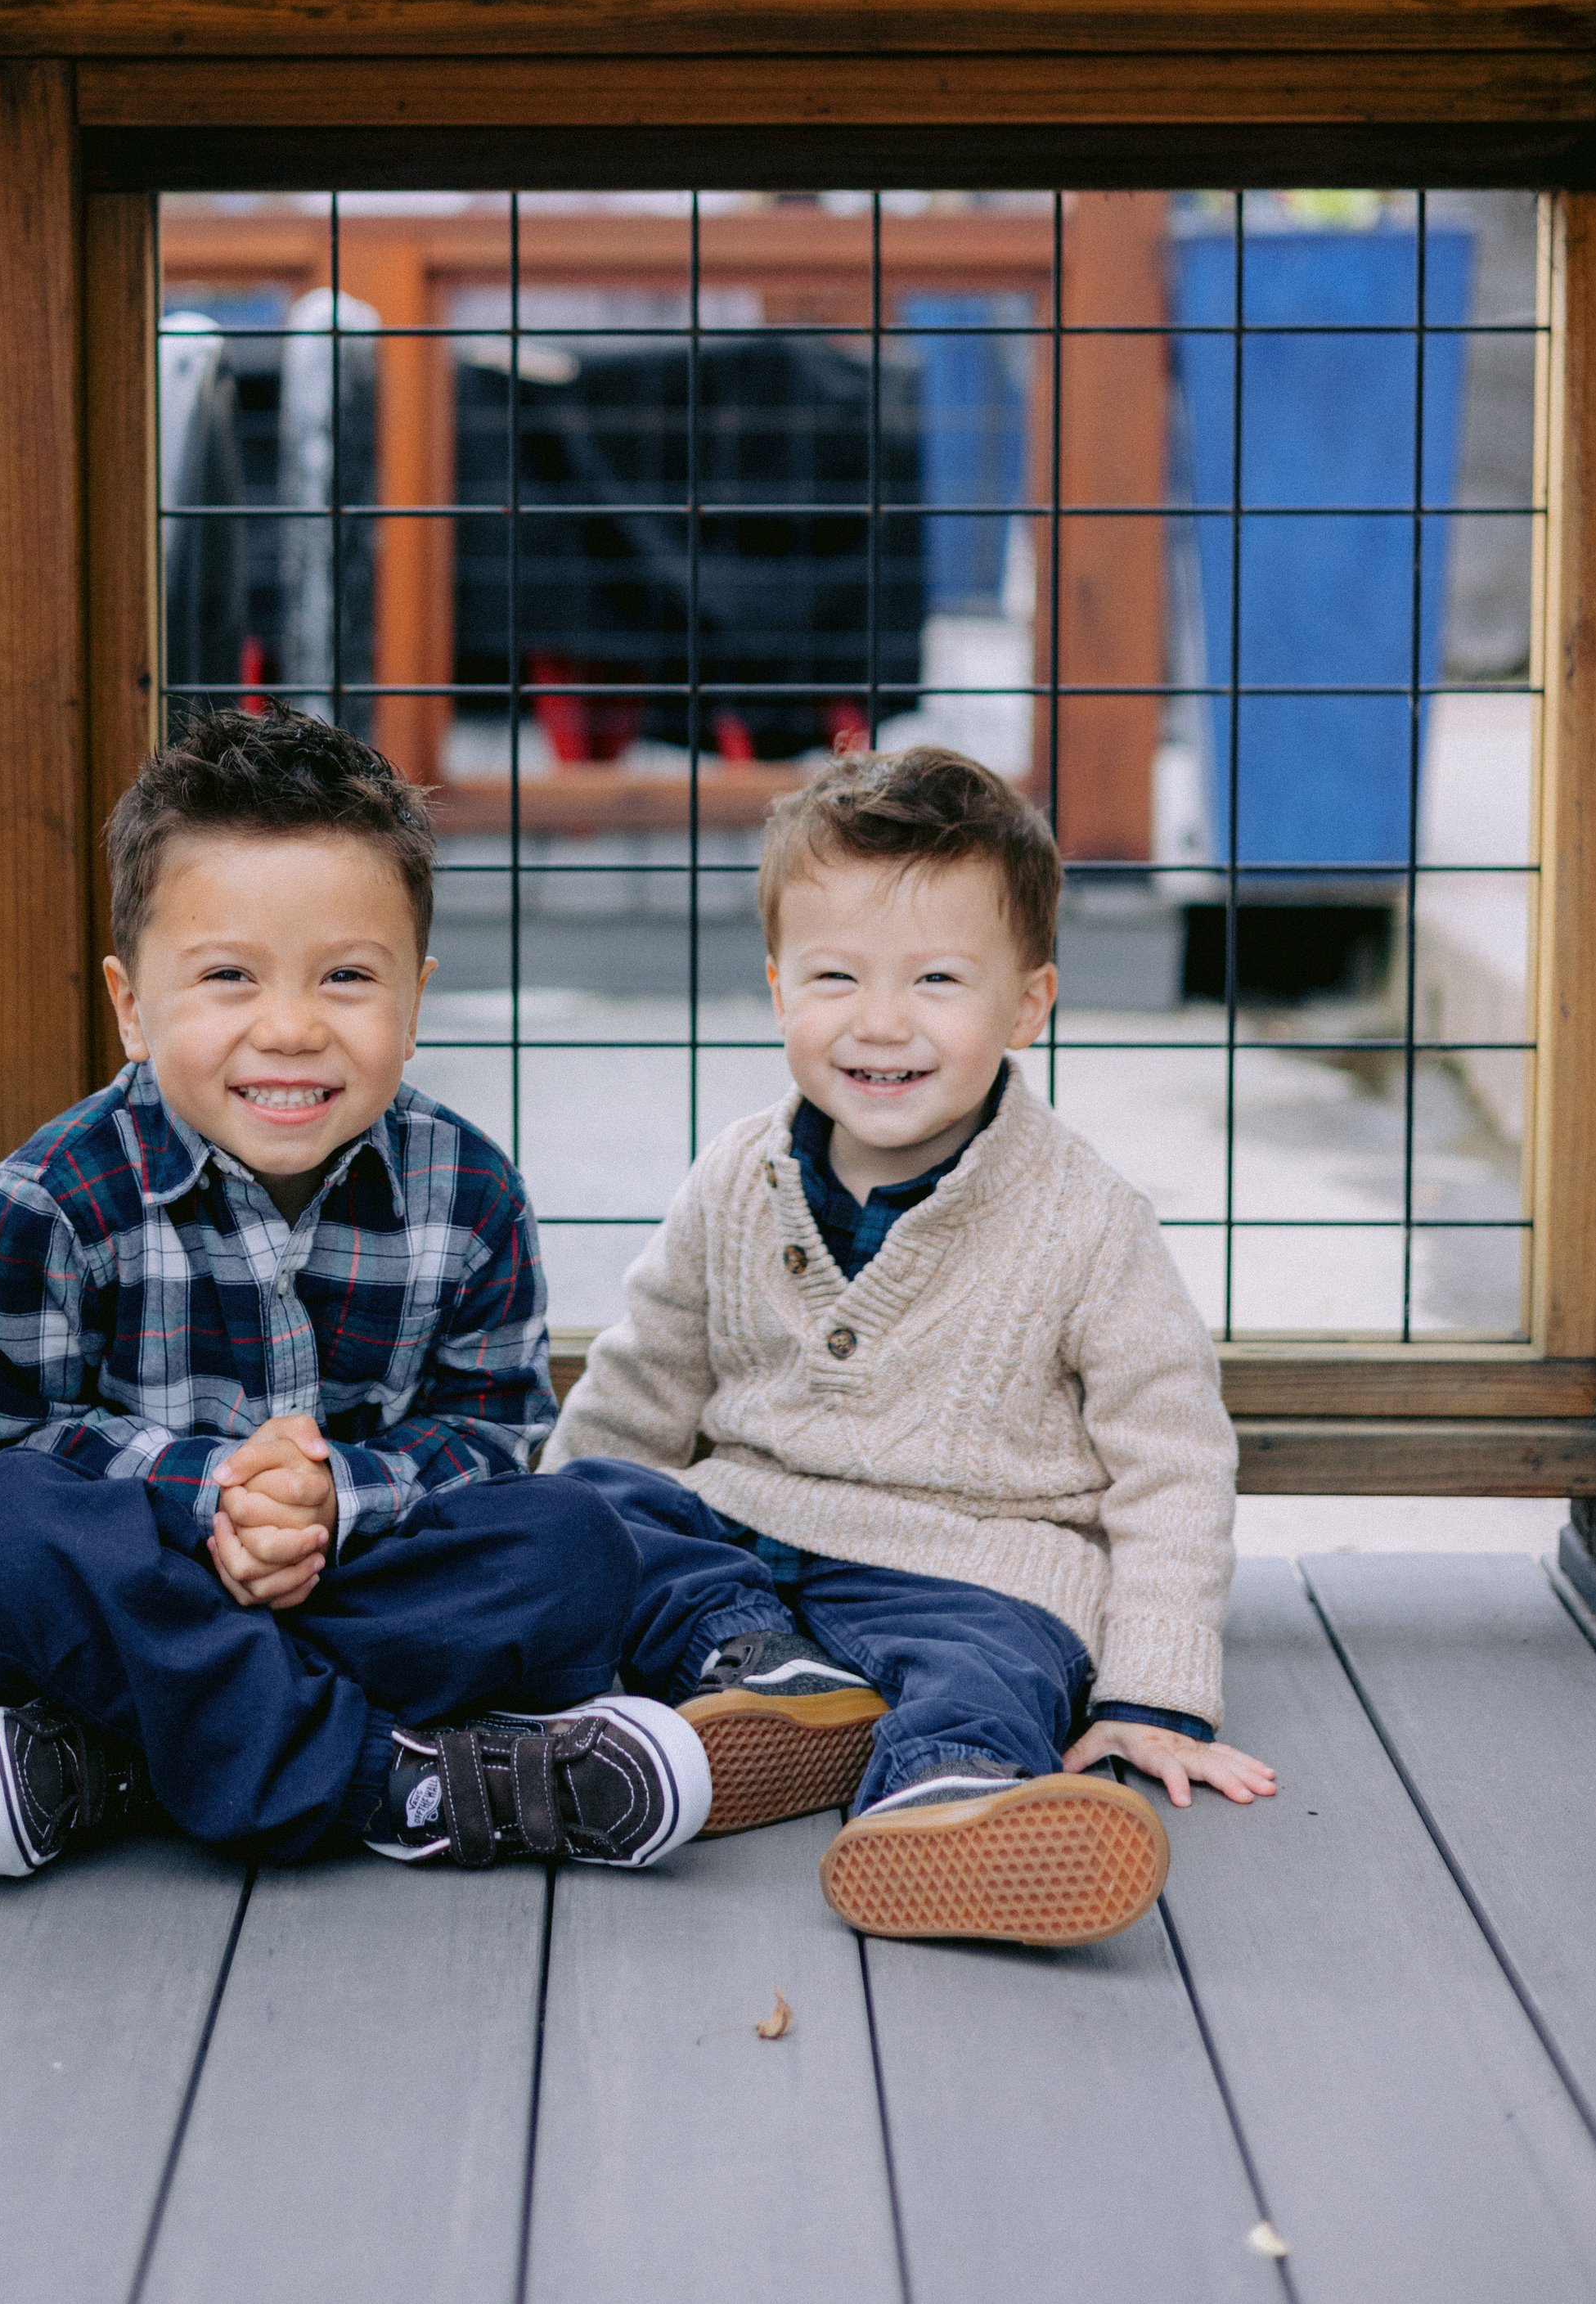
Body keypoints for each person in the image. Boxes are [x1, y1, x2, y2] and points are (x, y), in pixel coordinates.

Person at [0, 702, 708, 1882]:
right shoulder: (44, 1201)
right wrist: (214, 1499)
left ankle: (120, 1762)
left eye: (347, 975)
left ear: (415, 993)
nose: (290, 1026)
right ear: (131, 1004)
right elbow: (7, 1446)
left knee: (580, 1545)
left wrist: (332, 1499)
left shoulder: (470, 1191)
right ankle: (395, 1784)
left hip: (359, 1576)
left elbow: (492, 1435)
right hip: (147, 1579)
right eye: (228, 976)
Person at [544, 744, 1274, 1947]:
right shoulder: (737, 1176)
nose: (880, 1022)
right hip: (745, 1542)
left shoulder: (1086, 1219)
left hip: (968, 1560)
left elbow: (1172, 1462)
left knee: (998, 1659)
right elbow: (640, 1383)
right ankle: (763, 1680)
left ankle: (950, 1797)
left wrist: (1155, 1687)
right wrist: (565, 1539)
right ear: (780, 987)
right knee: (596, 1511)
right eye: (836, 975)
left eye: (937, 978)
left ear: (1027, 1001)